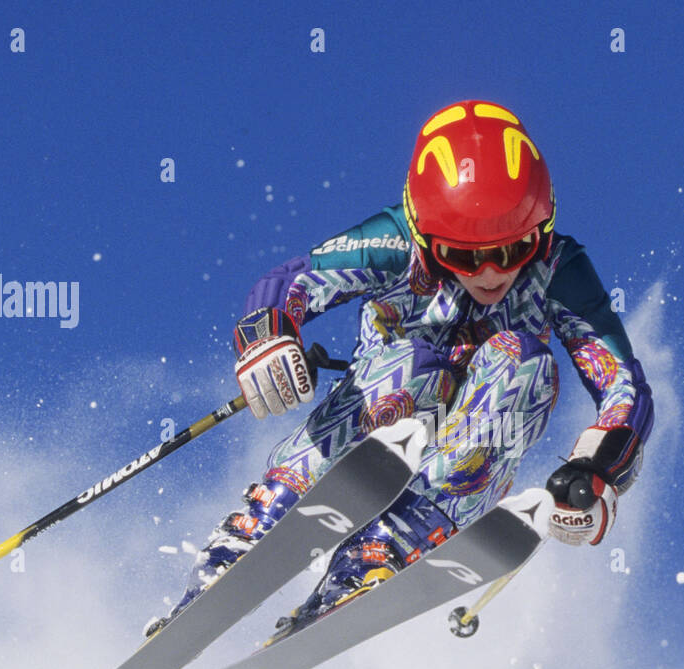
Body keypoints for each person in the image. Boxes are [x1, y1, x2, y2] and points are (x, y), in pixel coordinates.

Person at [146, 99, 654, 639]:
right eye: (461, 254)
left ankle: (381, 548)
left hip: (475, 449)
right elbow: (294, 281)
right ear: (424, 235)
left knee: (525, 362)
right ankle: (264, 526)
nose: (489, 273)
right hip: (375, 417)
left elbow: (621, 382)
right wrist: (268, 333)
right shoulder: (394, 244)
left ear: (543, 230)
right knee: (416, 366)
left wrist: (597, 470)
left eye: (513, 250)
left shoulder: (559, 271)